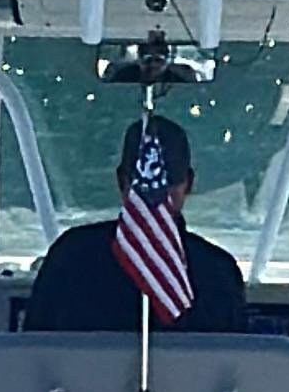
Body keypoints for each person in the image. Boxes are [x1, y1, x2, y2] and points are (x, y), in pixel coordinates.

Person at [25, 114, 247, 334]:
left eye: (166, 182)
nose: (157, 197)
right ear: (189, 183)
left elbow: (31, 347)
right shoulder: (219, 271)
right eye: (147, 185)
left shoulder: (70, 256)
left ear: (120, 180)